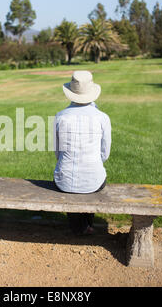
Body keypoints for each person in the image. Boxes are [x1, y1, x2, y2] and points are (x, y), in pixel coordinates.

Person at [53, 71, 112, 236]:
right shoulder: (102, 118)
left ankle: (80, 227)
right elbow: (105, 153)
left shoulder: (59, 117)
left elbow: (57, 153)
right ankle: (86, 226)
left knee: (73, 183)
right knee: (92, 180)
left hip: (63, 181)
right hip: (94, 180)